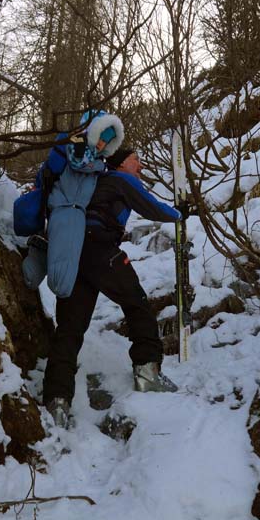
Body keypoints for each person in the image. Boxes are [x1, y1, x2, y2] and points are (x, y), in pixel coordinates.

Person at [43, 147, 182, 428]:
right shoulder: (120, 180)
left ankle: (57, 401)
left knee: (69, 329)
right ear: (121, 164)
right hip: (101, 248)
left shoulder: (91, 187)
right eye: (137, 160)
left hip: (73, 255)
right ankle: (147, 372)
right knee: (137, 303)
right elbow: (151, 207)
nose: (140, 166)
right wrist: (179, 214)